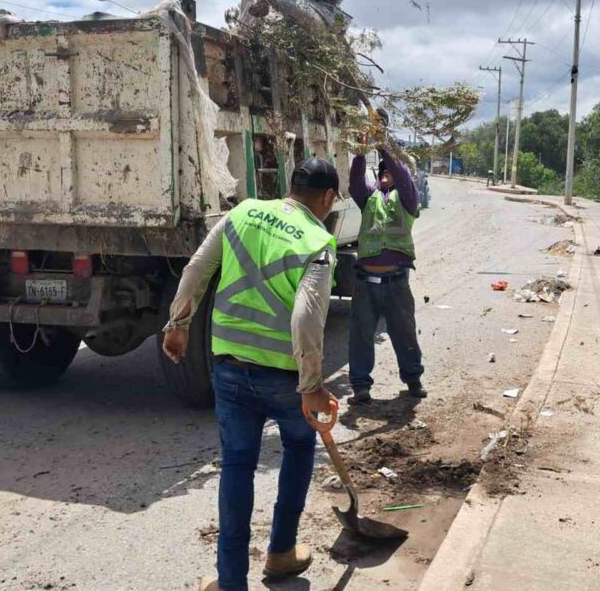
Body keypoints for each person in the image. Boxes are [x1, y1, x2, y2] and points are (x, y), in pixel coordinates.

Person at [163, 158, 341, 591]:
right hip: (284, 378)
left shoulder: (241, 212)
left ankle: (230, 582)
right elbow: (305, 319)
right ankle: (281, 553)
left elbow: (195, 271)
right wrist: (313, 386)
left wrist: (178, 326)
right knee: (298, 450)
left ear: (290, 186)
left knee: (237, 467)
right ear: (328, 198)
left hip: (229, 369)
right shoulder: (318, 241)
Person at [348, 136, 425, 404]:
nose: (385, 176)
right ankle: (360, 387)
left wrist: (384, 146)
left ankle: (413, 379)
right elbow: (356, 181)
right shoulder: (368, 199)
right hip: (365, 283)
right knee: (360, 336)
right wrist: (360, 152)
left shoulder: (408, 199)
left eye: (390, 172)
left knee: (404, 332)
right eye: (381, 173)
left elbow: (403, 178)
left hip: (395, 282)